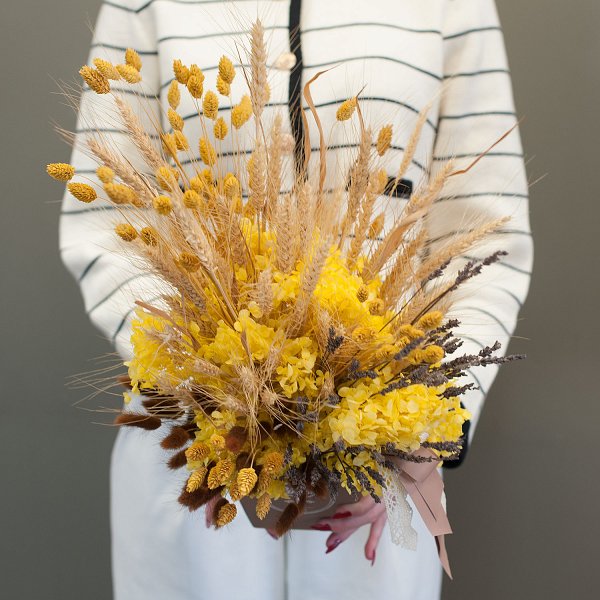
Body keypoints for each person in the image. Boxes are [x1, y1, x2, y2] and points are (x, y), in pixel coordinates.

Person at [59, 0, 533, 598]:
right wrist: (211, 385)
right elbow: (108, 222)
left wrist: (428, 427)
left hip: (381, 469)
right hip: (197, 447)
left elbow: (484, 237)